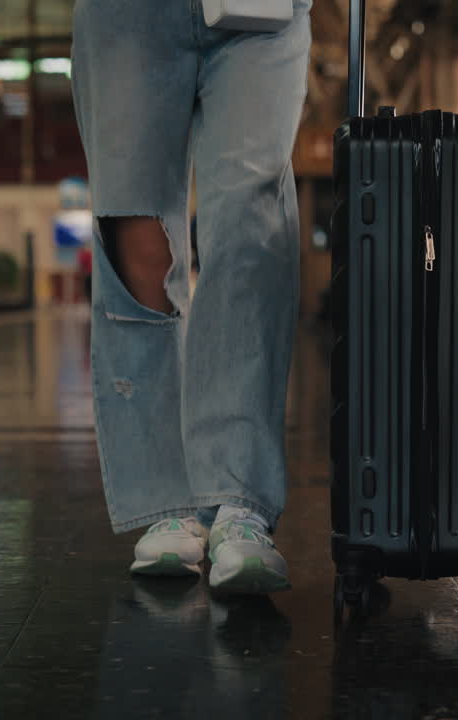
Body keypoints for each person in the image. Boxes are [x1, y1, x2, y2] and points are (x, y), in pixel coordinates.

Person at [71, 0, 310, 592]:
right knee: (137, 241)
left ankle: (239, 498)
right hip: (127, 14)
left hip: (261, 9)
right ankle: (168, 501)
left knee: (249, 230)